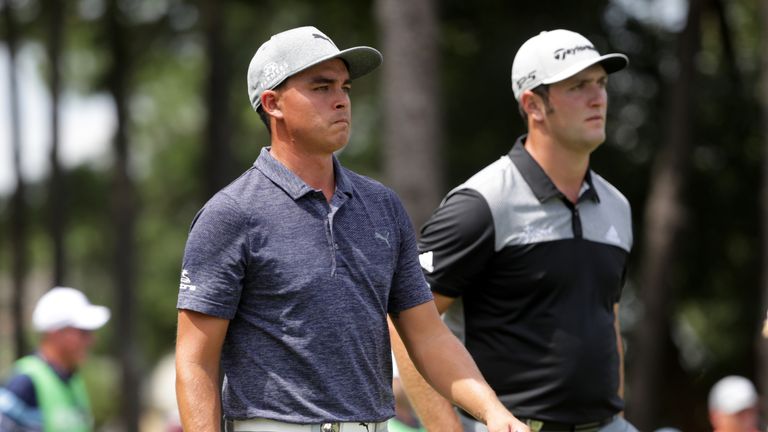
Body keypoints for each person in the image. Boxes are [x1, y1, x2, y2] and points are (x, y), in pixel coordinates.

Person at [174, 25, 530, 432]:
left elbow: (429, 337)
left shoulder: (382, 206)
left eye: (344, 87)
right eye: (322, 87)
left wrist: (491, 410)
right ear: (273, 104)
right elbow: (195, 360)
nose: (341, 100)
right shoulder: (231, 214)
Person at [391, 29, 638, 432]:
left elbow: (607, 317)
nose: (598, 98)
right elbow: (406, 322)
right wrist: (445, 429)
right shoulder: (481, 204)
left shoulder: (617, 206)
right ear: (533, 105)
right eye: (578, 86)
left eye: (601, 83)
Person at [0, 287, 110, 432]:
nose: (91, 341)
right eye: (83, 332)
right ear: (57, 333)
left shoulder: (73, 382)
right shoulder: (24, 383)